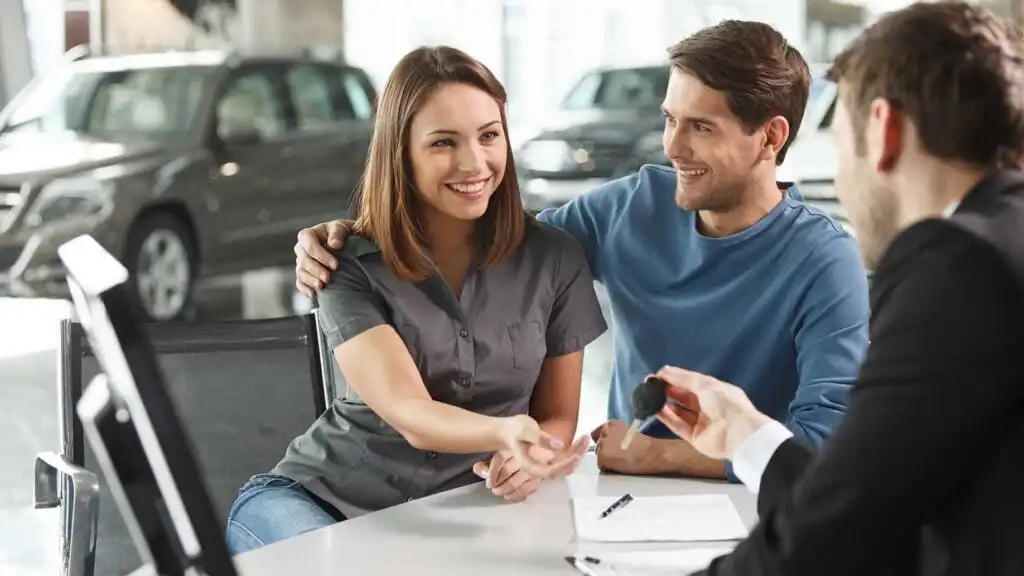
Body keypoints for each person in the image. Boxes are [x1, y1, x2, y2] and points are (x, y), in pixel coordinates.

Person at [292, 21, 871, 483]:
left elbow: (824, 446)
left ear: (771, 137)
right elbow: (489, 236)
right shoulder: (627, 208)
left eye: (701, 127)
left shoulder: (824, 260)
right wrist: (353, 233)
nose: (673, 146)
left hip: (755, 508)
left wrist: (657, 456)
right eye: (670, 119)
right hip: (623, 498)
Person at [650, 3, 1024, 574]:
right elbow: (882, 494)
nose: (844, 184)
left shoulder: (959, 267)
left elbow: (834, 540)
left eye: (842, 142)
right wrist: (750, 438)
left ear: (883, 130)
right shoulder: (1004, 239)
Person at [225, 46, 606, 555]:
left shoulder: (554, 258)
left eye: (489, 136)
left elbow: (557, 416)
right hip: (317, 502)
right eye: (443, 143)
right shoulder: (346, 263)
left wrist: (531, 457)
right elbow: (408, 411)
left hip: (461, 514)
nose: (474, 162)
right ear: (399, 152)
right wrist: (508, 431)